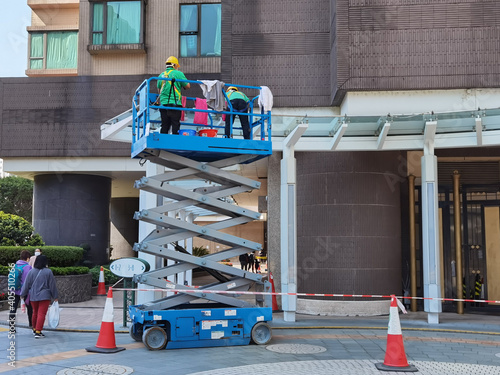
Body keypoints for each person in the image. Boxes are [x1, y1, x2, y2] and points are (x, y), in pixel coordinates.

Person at [21, 255, 58, 338]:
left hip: (33, 296)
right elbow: (52, 285)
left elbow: (26, 285)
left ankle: (34, 329)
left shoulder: (31, 271)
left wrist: (22, 295)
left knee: (35, 313)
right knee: (41, 314)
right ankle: (38, 331)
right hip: (45, 296)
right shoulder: (48, 272)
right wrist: (55, 296)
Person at [157, 56, 190, 135]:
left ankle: (163, 141)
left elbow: (159, 91)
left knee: (165, 125)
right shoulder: (178, 73)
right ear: (174, 65)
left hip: (164, 105)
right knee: (175, 124)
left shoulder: (161, 75)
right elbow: (188, 86)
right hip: (175, 104)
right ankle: (175, 141)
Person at [9, 250, 33, 329]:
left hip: (14, 290)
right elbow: (29, 280)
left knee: (13, 309)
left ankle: (11, 327)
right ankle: (31, 324)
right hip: (24, 291)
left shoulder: (15, 265)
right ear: (27, 258)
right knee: (30, 308)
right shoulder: (28, 267)